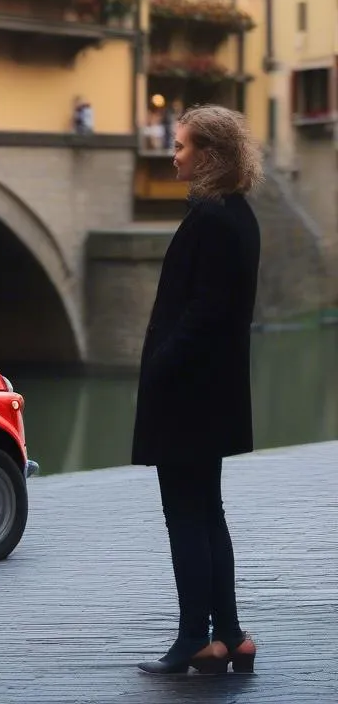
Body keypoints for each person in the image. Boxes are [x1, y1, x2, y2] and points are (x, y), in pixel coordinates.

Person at [132, 105, 263, 676]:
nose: (174, 153)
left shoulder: (211, 220)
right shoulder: (237, 215)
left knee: (185, 515)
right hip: (213, 391)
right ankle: (229, 634)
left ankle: (195, 641)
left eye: (183, 145)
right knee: (207, 513)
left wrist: (160, 363)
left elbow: (205, 311)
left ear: (209, 154)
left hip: (187, 392)